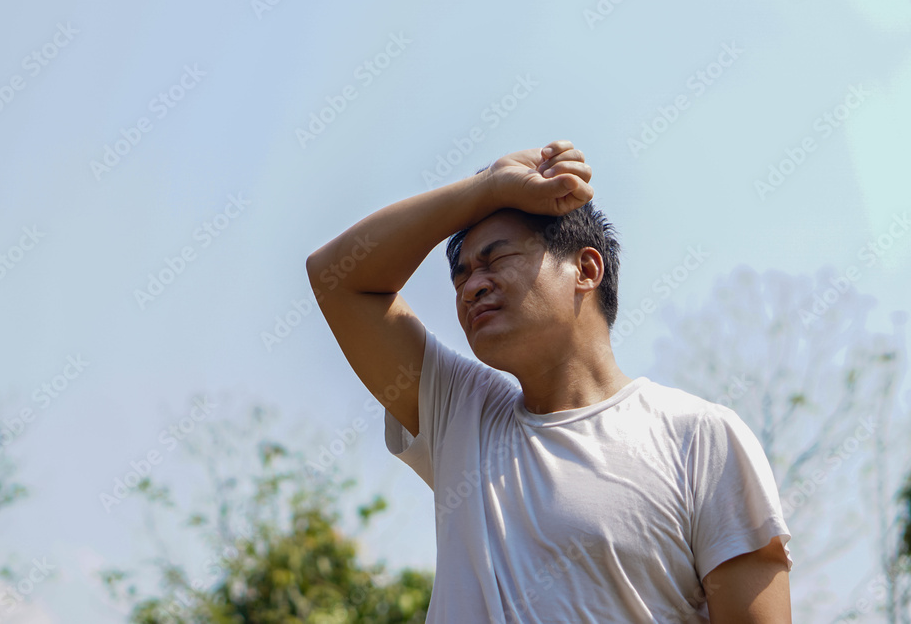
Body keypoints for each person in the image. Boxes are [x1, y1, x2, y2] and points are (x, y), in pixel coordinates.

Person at [305, 139, 793, 623]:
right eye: (461, 277)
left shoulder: (700, 438)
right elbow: (337, 277)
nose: (472, 287)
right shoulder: (461, 414)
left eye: (495, 261)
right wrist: (487, 188)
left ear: (585, 268)